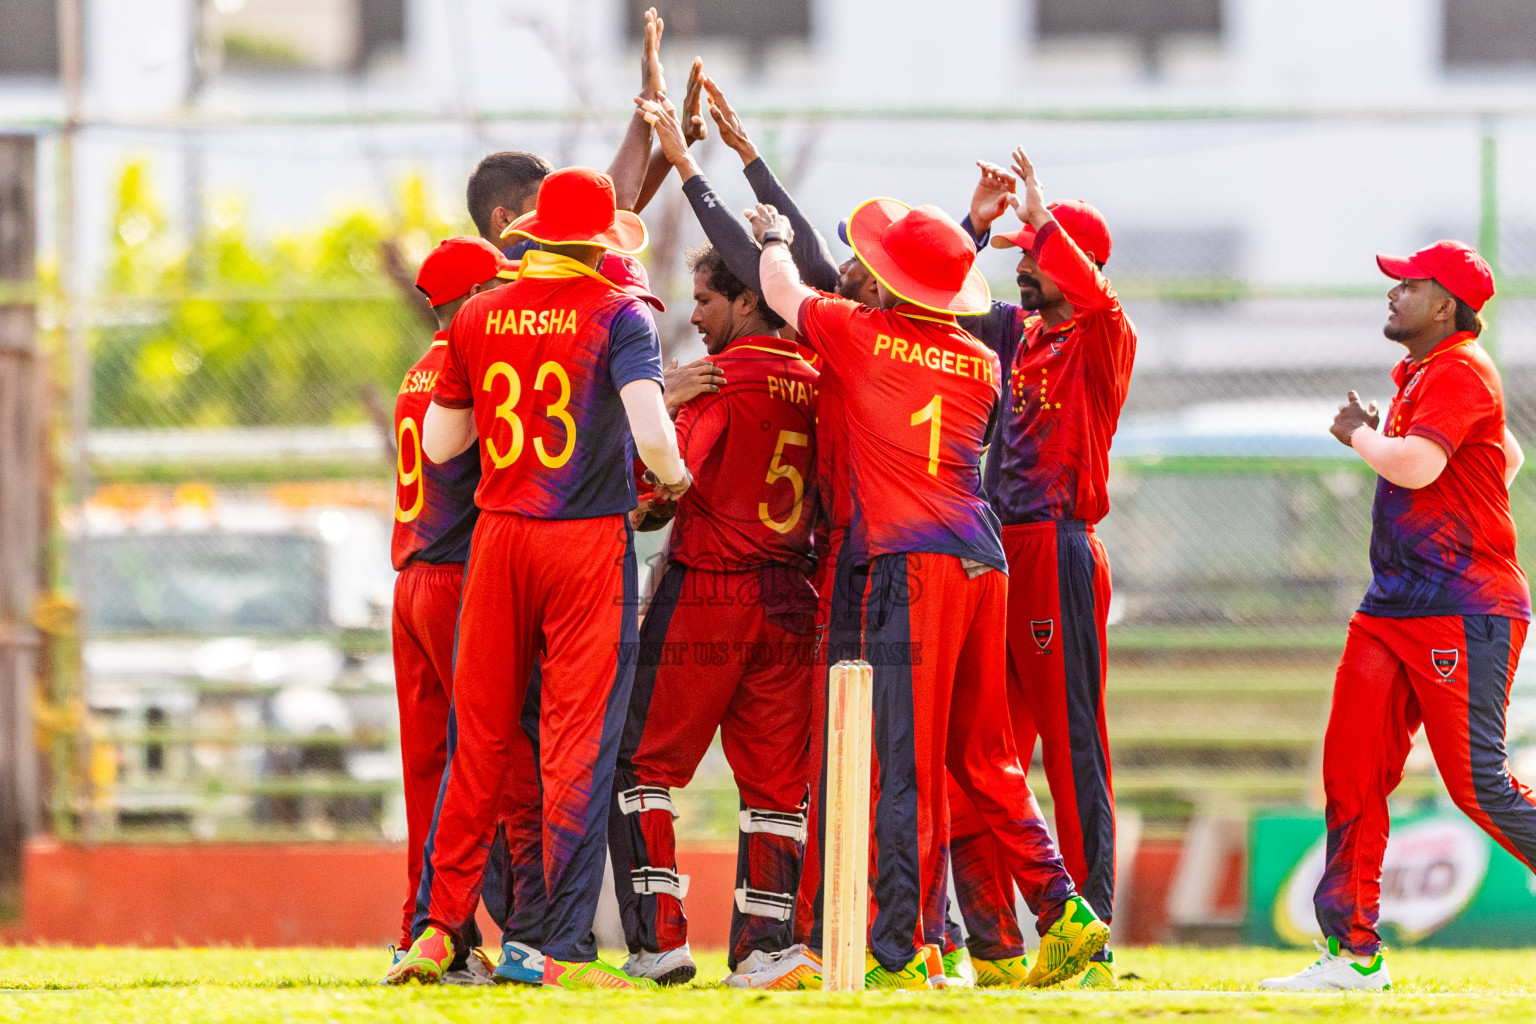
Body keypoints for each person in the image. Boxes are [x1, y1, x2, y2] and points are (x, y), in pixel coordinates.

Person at [747, 196, 1109, 990]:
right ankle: (1061, 907)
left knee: (904, 762)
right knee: (986, 755)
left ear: (889, 281)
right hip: (984, 560)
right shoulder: (982, 358)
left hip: (911, 565)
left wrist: (775, 233)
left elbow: (780, 288)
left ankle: (905, 949)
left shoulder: (860, 333)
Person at [384, 166, 690, 989]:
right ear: (597, 247)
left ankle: (435, 929)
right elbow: (655, 440)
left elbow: (446, 445)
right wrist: (677, 481)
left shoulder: (478, 313)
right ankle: (555, 948)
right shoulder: (618, 312)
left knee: (476, 741)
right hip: (584, 543)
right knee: (572, 745)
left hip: (497, 540)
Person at [1262, 240, 1534, 992]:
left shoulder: (1459, 368)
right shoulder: (1425, 375)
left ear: (1444, 305)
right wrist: (1404, 441)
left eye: (1406, 285)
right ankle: (1352, 955)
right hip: (1391, 608)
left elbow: (1417, 465)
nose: (1393, 294)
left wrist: (1362, 436)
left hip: (1463, 607)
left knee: (1478, 785)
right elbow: (1502, 458)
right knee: (1351, 771)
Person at [940, 148, 1137, 989]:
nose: (1023, 270)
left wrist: (1045, 213)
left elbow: (1093, 293)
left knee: (1070, 749)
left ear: (1073, 266)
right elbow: (935, 298)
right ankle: (997, 944)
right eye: (1019, 257)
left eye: (1034, 258)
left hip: (1056, 547)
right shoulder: (1020, 334)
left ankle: (1088, 938)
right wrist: (976, 225)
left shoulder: (1102, 334)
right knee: (981, 752)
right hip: (997, 549)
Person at [607, 241, 820, 986]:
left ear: (749, 301)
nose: (694, 316)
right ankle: (766, 950)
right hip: (795, 594)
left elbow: (661, 491)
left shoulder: (719, 381)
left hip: (710, 592)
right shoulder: (821, 376)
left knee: (638, 763)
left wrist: (659, 413)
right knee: (776, 784)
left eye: (704, 300)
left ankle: (659, 942)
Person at [388, 236, 512, 986]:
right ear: (469, 301)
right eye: (495, 289)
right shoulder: (473, 368)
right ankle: (453, 928)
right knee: (481, 761)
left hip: (409, 579)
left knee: (426, 771)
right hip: (459, 581)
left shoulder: (419, 369)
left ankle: (422, 933)